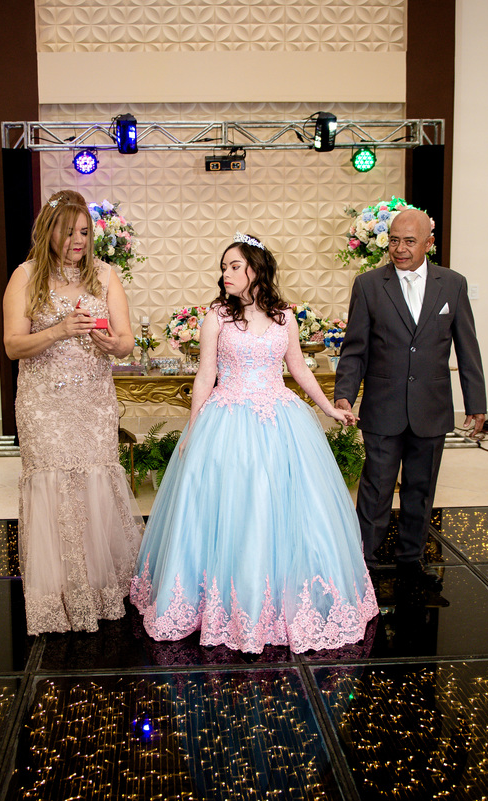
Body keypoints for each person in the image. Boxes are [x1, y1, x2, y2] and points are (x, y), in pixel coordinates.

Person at [131, 233, 377, 653]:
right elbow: (206, 374)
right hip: (227, 421)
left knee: (285, 509)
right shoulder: (217, 317)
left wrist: (330, 409)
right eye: (223, 267)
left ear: (256, 269)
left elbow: (298, 368)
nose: (225, 274)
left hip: (280, 420)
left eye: (234, 266)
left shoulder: (284, 317)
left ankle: (283, 599)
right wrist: (194, 427)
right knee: (230, 510)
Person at [3, 191, 143, 636]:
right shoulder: (25, 276)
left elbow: (126, 341)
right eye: (69, 232)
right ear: (50, 232)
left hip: (93, 400)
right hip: (44, 403)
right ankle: (59, 591)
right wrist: (60, 330)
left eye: (84, 232)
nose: (78, 240)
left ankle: (100, 585)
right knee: (52, 484)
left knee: (95, 481)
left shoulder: (105, 275)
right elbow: (13, 345)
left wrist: (113, 344)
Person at [333, 207, 485, 588]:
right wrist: (344, 395)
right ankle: (364, 562)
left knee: (420, 489)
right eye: (395, 240)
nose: (400, 249)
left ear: (429, 243)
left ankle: (410, 558)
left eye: (410, 241)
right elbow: (355, 349)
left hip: (431, 408)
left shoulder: (453, 285)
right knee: (376, 490)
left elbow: (467, 347)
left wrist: (477, 403)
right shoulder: (369, 285)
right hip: (383, 407)